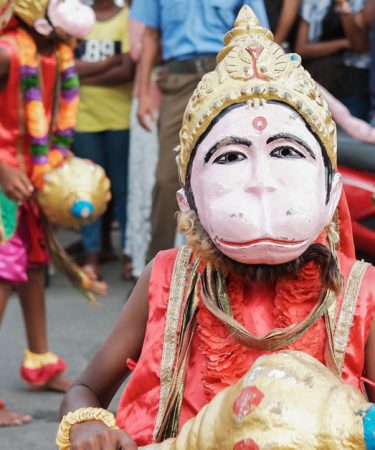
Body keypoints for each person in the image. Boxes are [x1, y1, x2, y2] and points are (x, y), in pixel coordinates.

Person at [57, 6, 375, 449]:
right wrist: (87, 424)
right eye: (229, 157)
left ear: (330, 190)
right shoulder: (168, 277)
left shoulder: (359, 296)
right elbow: (86, 389)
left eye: (285, 152)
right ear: (189, 203)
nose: (261, 182)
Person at [0, 0, 95, 426]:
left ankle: (40, 360)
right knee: (4, 273)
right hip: (4, 178)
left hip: (32, 177)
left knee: (35, 268)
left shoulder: (57, 52)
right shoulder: (5, 51)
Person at [131, 0, 270, 262]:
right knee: (166, 178)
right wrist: (143, 94)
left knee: (230, 172)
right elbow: (150, 37)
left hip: (228, 78)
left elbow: (257, 35)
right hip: (178, 81)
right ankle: (155, 271)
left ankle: (230, 265)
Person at [73, 0, 135, 281]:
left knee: (123, 191)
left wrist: (85, 71)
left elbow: (126, 71)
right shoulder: (76, 21)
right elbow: (68, 68)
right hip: (83, 120)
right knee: (86, 191)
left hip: (119, 119)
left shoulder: (126, 19)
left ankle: (128, 254)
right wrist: (109, 62)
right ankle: (91, 257)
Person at [295, 0, 370, 120]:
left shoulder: (361, 3)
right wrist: (343, 43)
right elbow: (301, 49)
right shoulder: (313, 2)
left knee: (353, 132)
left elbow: (359, 45)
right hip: (319, 81)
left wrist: (343, 5)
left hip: (353, 82)